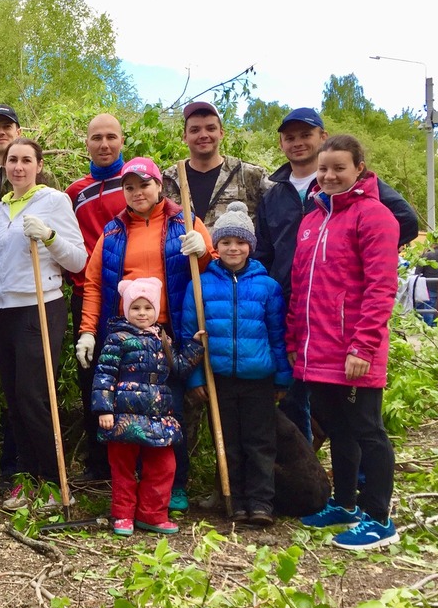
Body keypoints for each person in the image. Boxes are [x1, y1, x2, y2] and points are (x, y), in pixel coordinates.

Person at [255, 107, 418, 439]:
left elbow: (405, 221)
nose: (298, 143)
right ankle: (312, 483)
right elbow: (263, 251)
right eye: (290, 137)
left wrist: (356, 261)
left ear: (322, 137)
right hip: (292, 308)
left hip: (339, 315)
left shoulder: (350, 184)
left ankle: (358, 484)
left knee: (351, 413)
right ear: (282, 144)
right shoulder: (274, 191)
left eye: (306, 135)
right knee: (298, 401)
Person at [77, 157, 214, 513]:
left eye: (144, 185)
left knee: (170, 411)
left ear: (159, 185)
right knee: (130, 410)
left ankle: (175, 484)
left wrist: (203, 251)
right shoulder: (113, 231)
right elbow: (93, 283)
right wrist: (88, 331)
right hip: (125, 333)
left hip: (171, 330)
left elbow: (208, 268)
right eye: (130, 187)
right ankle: (131, 488)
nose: (138, 193)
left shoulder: (186, 222)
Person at [289, 135, 400, 550]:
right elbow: (301, 289)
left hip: (354, 351)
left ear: (359, 168)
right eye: (324, 169)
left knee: (367, 430)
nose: (330, 175)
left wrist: (363, 347)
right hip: (315, 351)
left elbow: (380, 288)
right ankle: (345, 502)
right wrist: (295, 341)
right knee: (337, 429)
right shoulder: (312, 220)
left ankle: (379, 517)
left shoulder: (375, 218)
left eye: (339, 168)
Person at [0, 137, 86, 508]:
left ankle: (55, 483)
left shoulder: (54, 201)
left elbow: (78, 260)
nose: (18, 167)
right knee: (14, 399)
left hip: (41, 307)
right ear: (5, 165)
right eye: (12, 160)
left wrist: (50, 237)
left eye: (26, 160)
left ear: (39, 164)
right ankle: (28, 480)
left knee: (34, 397)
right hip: (7, 312)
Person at [181, 202, 292, 526]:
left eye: (240, 242)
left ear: (250, 247)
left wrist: (282, 377)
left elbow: (277, 334)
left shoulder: (267, 287)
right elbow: (191, 336)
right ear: (216, 246)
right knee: (227, 442)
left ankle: (261, 503)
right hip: (219, 379)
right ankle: (235, 500)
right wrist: (195, 377)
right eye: (226, 242)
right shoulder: (199, 284)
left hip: (258, 377)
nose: (233, 248)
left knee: (259, 443)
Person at [92, 278, 204, 536]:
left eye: (147, 308)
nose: (142, 313)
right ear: (126, 310)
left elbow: (179, 368)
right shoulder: (117, 338)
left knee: (164, 466)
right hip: (123, 414)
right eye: (135, 308)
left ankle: (151, 514)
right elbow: (104, 374)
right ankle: (122, 515)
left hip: (157, 415)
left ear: (156, 311)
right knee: (123, 467)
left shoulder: (162, 337)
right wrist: (104, 409)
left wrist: (195, 347)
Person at [66, 114, 131, 482]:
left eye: (111, 137)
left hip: (133, 297)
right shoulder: (75, 191)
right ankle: (98, 462)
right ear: (86, 143)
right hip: (87, 295)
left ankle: (133, 459)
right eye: (96, 138)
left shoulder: (137, 182)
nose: (104, 145)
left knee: (132, 375)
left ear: (122, 140)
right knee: (90, 375)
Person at [161, 102, 271, 224]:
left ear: (221, 133)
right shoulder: (167, 180)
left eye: (211, 128)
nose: (203, 135)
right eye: (195, 130)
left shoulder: (249, 175)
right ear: (185, 137)